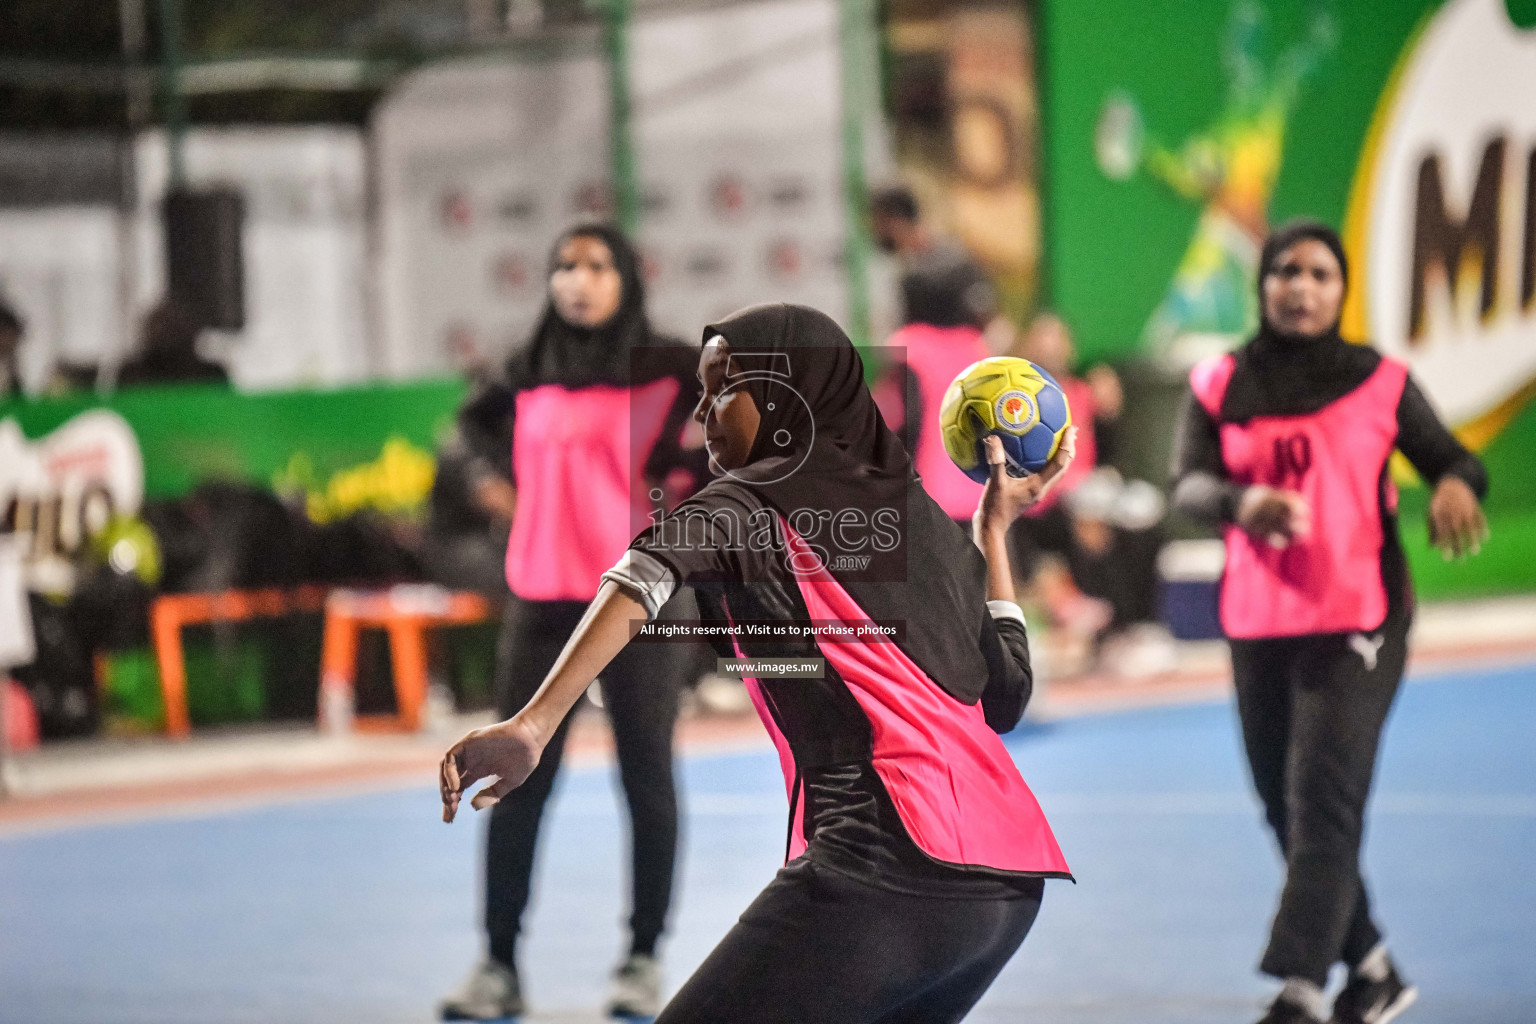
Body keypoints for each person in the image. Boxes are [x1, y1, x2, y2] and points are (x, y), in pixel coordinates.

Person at [440, 303, 1076, 1024]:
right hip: (1005, 889)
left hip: (886, 862)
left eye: (726, 388)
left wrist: (533, 723)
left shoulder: (747, 499)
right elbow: (1008, 695)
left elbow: (640, 578)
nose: (703, 413)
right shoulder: (916, 513)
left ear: (789, 397)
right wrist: (991, 533)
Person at [1170, 220, 1488, 1024]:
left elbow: (1455, 458)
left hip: (1361, 620)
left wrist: (1456, 485)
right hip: (1258, 619)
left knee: (1323, 801)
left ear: (1342, 291)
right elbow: (1188, 488)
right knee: (1282, 804)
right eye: (1285, 271)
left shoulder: (1379, 381)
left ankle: (1302, 990)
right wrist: (1244, 503)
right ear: (1263, 284)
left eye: (1319, 273)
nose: (1301, 286)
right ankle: (1373, 969)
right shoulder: (1217, 382)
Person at [441, 223, 702, 1020]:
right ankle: (498, 967)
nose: (576, 281)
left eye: (595, 266)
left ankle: (643, 957)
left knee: (646, 779)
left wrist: (681, 500)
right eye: (563, 266)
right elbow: (471, 433)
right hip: (543, 600)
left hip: (640, 605)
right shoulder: (524, 373)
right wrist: (494, 483)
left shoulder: (669, 369)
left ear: (625, 276)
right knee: (516, 782)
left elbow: (715, 453)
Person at [870, 184, 1000, 336]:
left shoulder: (953, 264)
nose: (875, 231)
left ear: (894, 222)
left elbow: (991, 323)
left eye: (879, 222)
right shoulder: (903, 264)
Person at [116, 299, 229, 388]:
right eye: (161, 328)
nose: (168, 337)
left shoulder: (211, 375)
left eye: (174, 330)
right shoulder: (132, 374)